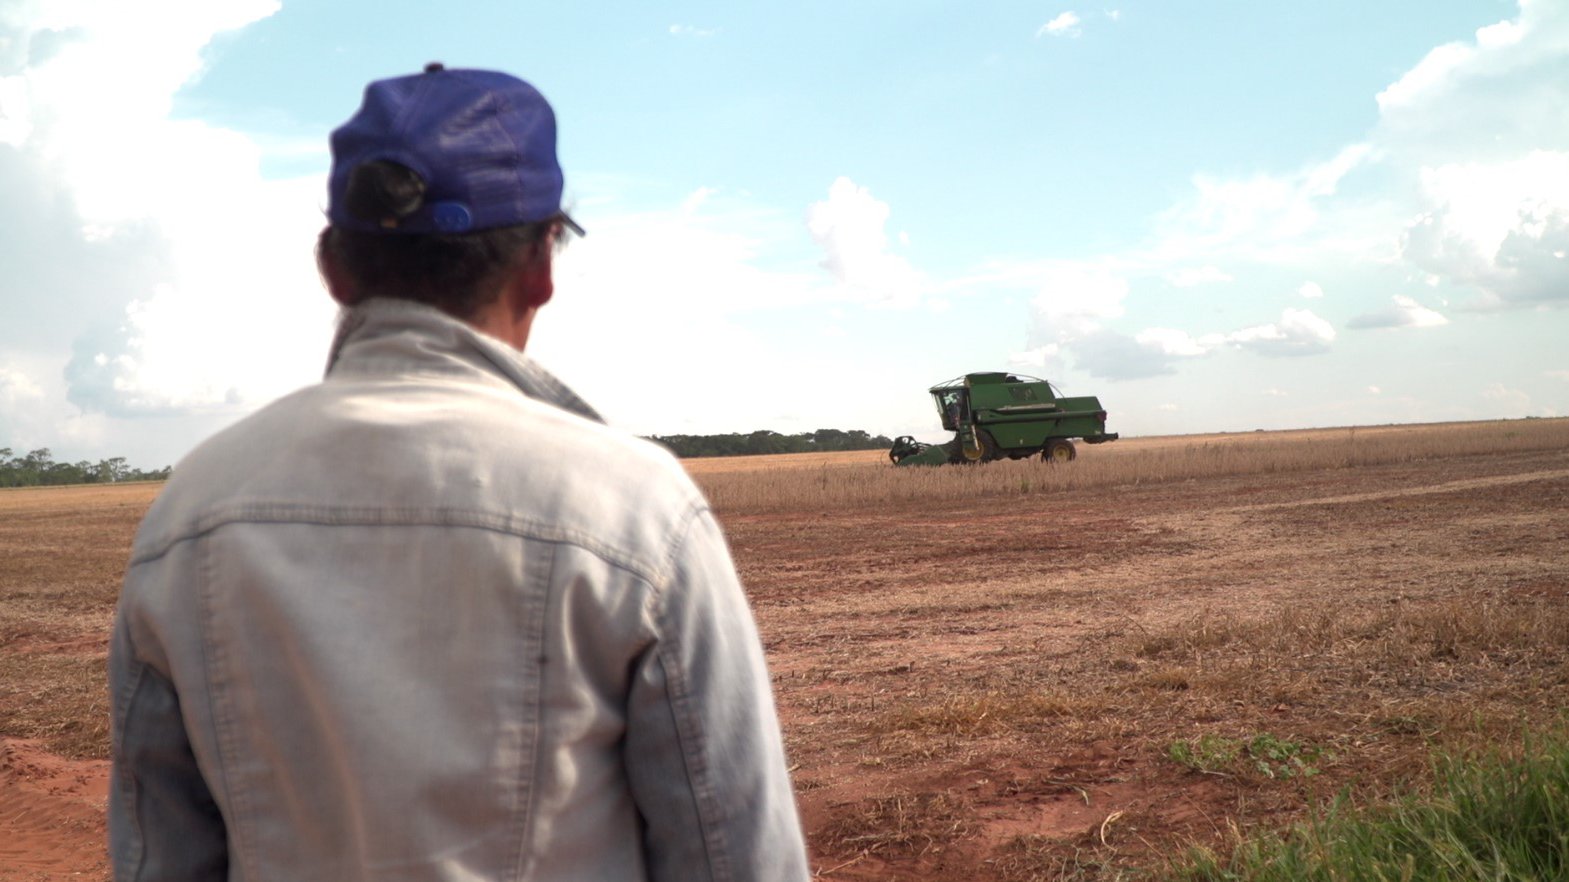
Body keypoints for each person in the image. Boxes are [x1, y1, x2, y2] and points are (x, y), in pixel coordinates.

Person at [108, 64, 809, 881]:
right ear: (541, 266)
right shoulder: (635, 510)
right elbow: (736, 858)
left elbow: (160, 857)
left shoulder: (189, 511)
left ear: (333, 270)